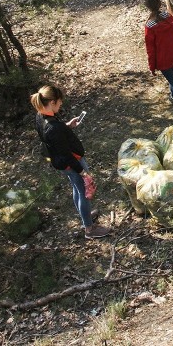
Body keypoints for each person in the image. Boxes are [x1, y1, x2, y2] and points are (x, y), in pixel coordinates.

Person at [31, 85, 110, 239]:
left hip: (60, 161)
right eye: (60, 102)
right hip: (72, 162)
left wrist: (67, 126)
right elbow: (66, 154)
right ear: (52, 102)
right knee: (84, 193)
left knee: (77, 189)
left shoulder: (41, 116)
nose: (61, 105)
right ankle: (89, 229)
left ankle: (85, 215)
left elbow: (54, 138)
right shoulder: (54, 128)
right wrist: (83, 172)